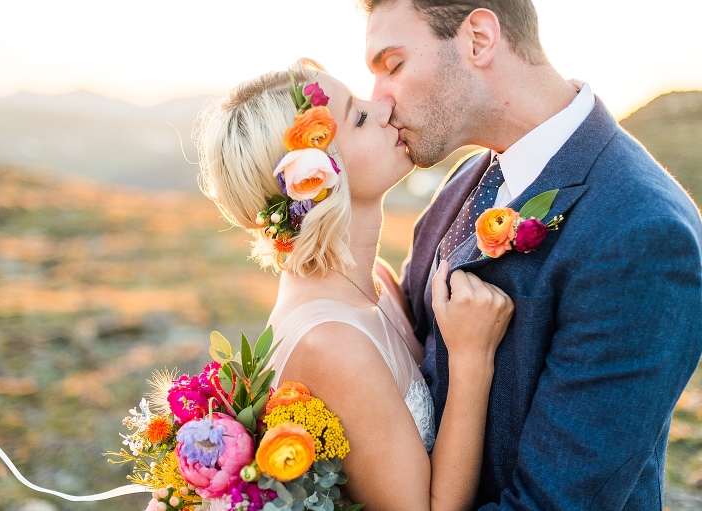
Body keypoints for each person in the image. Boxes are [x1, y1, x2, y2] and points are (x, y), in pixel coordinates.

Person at [362, 0, 702, 509]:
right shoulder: (468, 180)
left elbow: (553, 502)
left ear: (478, 38)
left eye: (393, 65)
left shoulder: (644, 231)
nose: (379, 101)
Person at [196, 59, 514, 510]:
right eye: (360, 117)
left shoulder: (375, 277)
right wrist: (472, 360)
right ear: (316, 181)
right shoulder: (332, 342)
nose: (382, 107)